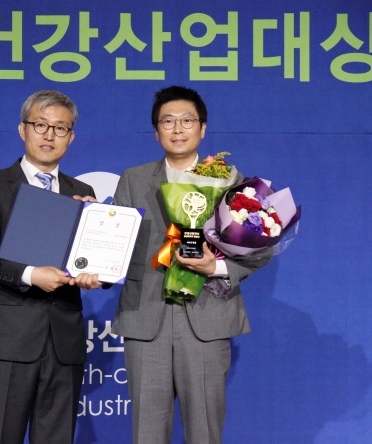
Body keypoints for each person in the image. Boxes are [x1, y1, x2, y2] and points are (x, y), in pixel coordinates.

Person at [112, 85, 271, 443]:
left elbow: (257, 250)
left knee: (205, 431)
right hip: (146, 318)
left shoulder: (229, 180)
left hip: (206, 317)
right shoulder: (134, 180)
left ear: (202, 128)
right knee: (146, 433)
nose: (178, 128)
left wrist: (213, 268)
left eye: (187, 120)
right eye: (168, 121)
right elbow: (117, 245)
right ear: (156, 132)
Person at [0, 89, 102, 444]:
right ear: (22, 130)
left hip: (64, 340)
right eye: (41, 125)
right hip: (7, 338)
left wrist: (95, 274)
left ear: (71, 137)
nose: (49, 135)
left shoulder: (82, 191)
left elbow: (92, 260)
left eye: (60, 128)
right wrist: (30, 275)